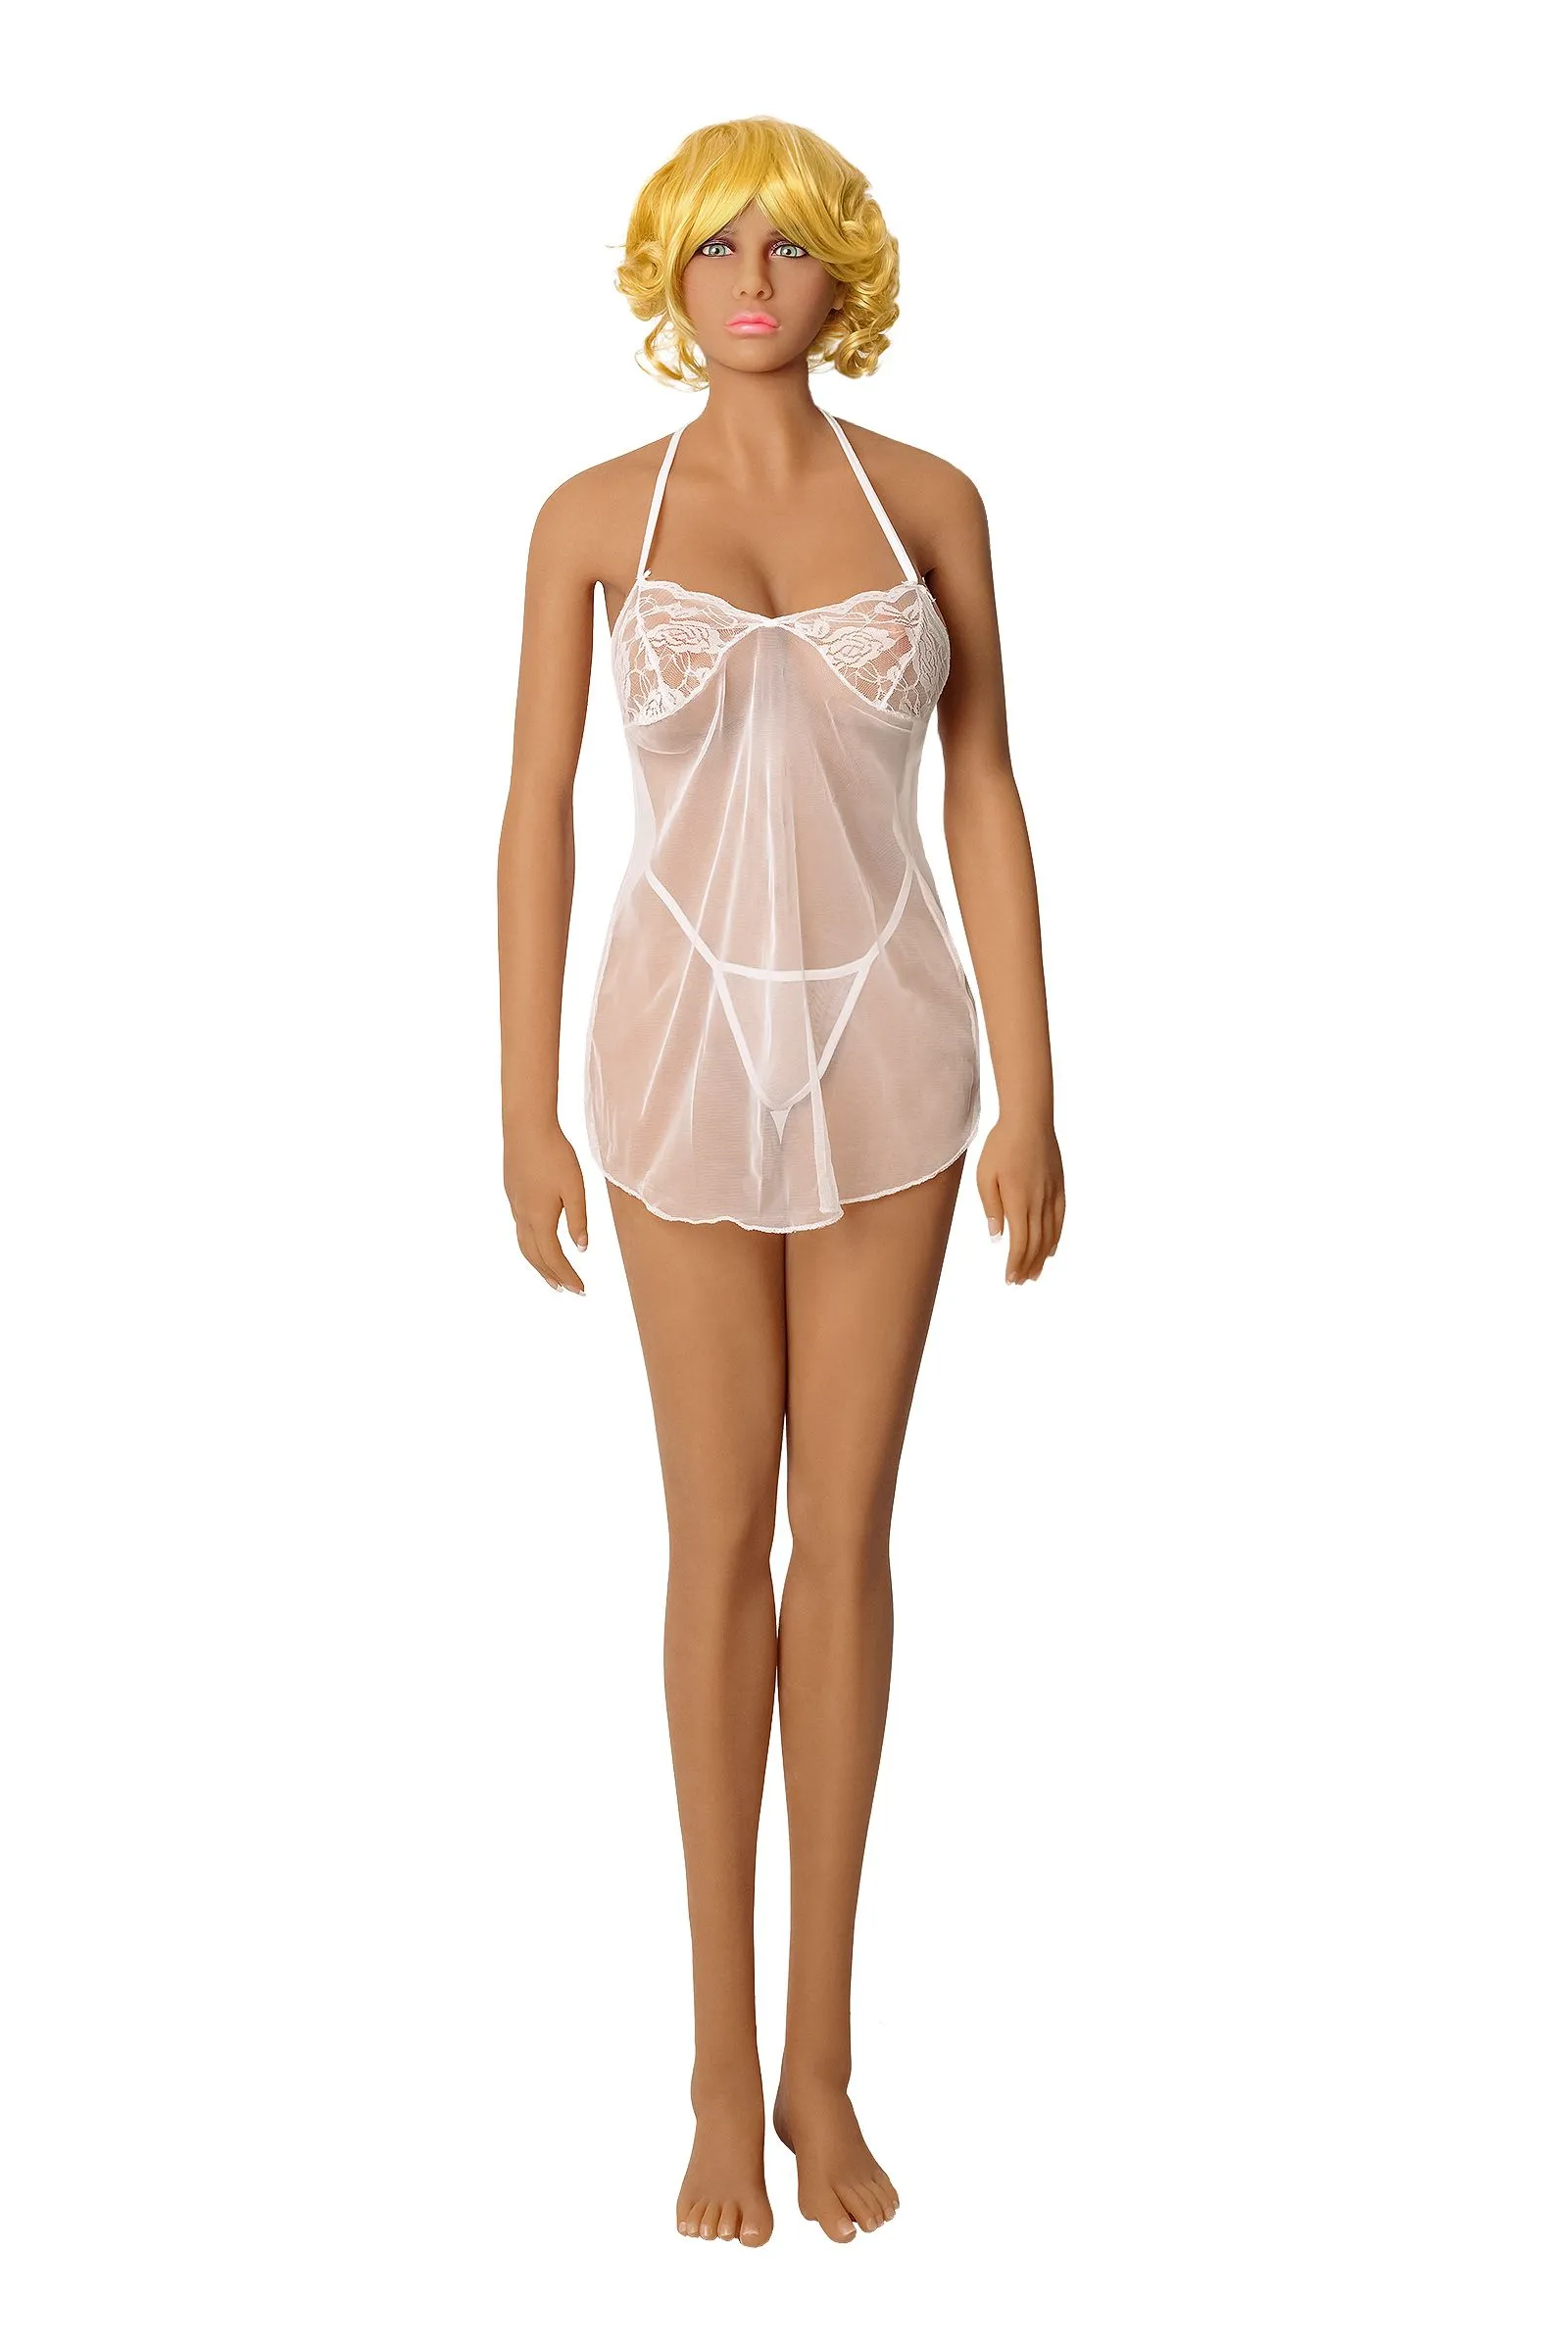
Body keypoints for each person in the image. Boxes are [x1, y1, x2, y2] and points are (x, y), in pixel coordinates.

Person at [497, 115, 1064, 2247]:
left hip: (894, 1051)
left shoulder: (932, 505)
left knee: (848, 1544)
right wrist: (519, 1099)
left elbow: (987, 785)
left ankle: (823, 2062)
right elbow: (533, 810)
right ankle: (718, 2071)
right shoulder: (587, 519)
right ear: (666, 270)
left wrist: (1036, 1086)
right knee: (714, 1542)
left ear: (845, 275)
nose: (753, 280)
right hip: (670, 1055)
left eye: (791, 246)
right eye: (716, 245)